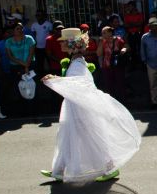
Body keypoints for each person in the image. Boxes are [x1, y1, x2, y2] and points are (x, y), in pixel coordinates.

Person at [40, 28, 141, 183]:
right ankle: (59, 170)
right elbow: (75, 83)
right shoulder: (76, 62)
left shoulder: (78, 63)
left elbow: (79, 84)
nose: (60, 45)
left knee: (90, 136)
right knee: (67, 135)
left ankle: (110, 167)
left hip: (80, 108)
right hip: (74, 106)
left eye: (63, 43)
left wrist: (54, 80)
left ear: (71, 45)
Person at [97, 25, 128, 102]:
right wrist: (101, 43)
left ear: (110, 33)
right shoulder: (103, 42)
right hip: (107, 66)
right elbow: (98, 54)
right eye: (102, 33)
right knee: (109, 86)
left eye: (104, 33)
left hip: (118, 65)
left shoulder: (118, 40)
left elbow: (126, 46)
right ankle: (112, 102)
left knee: (120, 84)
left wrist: (124, 50)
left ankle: (122, 101)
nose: (102, 35)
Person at [29, 10, 52, 76]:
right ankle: (41, 77)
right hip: (38, 47)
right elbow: (33, 35)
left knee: (49, 61)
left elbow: (51, 35)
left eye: (39, 15)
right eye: (37, 15)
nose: (38, 17)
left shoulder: (48, 24)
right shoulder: (34, 25)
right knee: (39, 63)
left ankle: (52, 75)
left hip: (47, 47)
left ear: (43, 16)